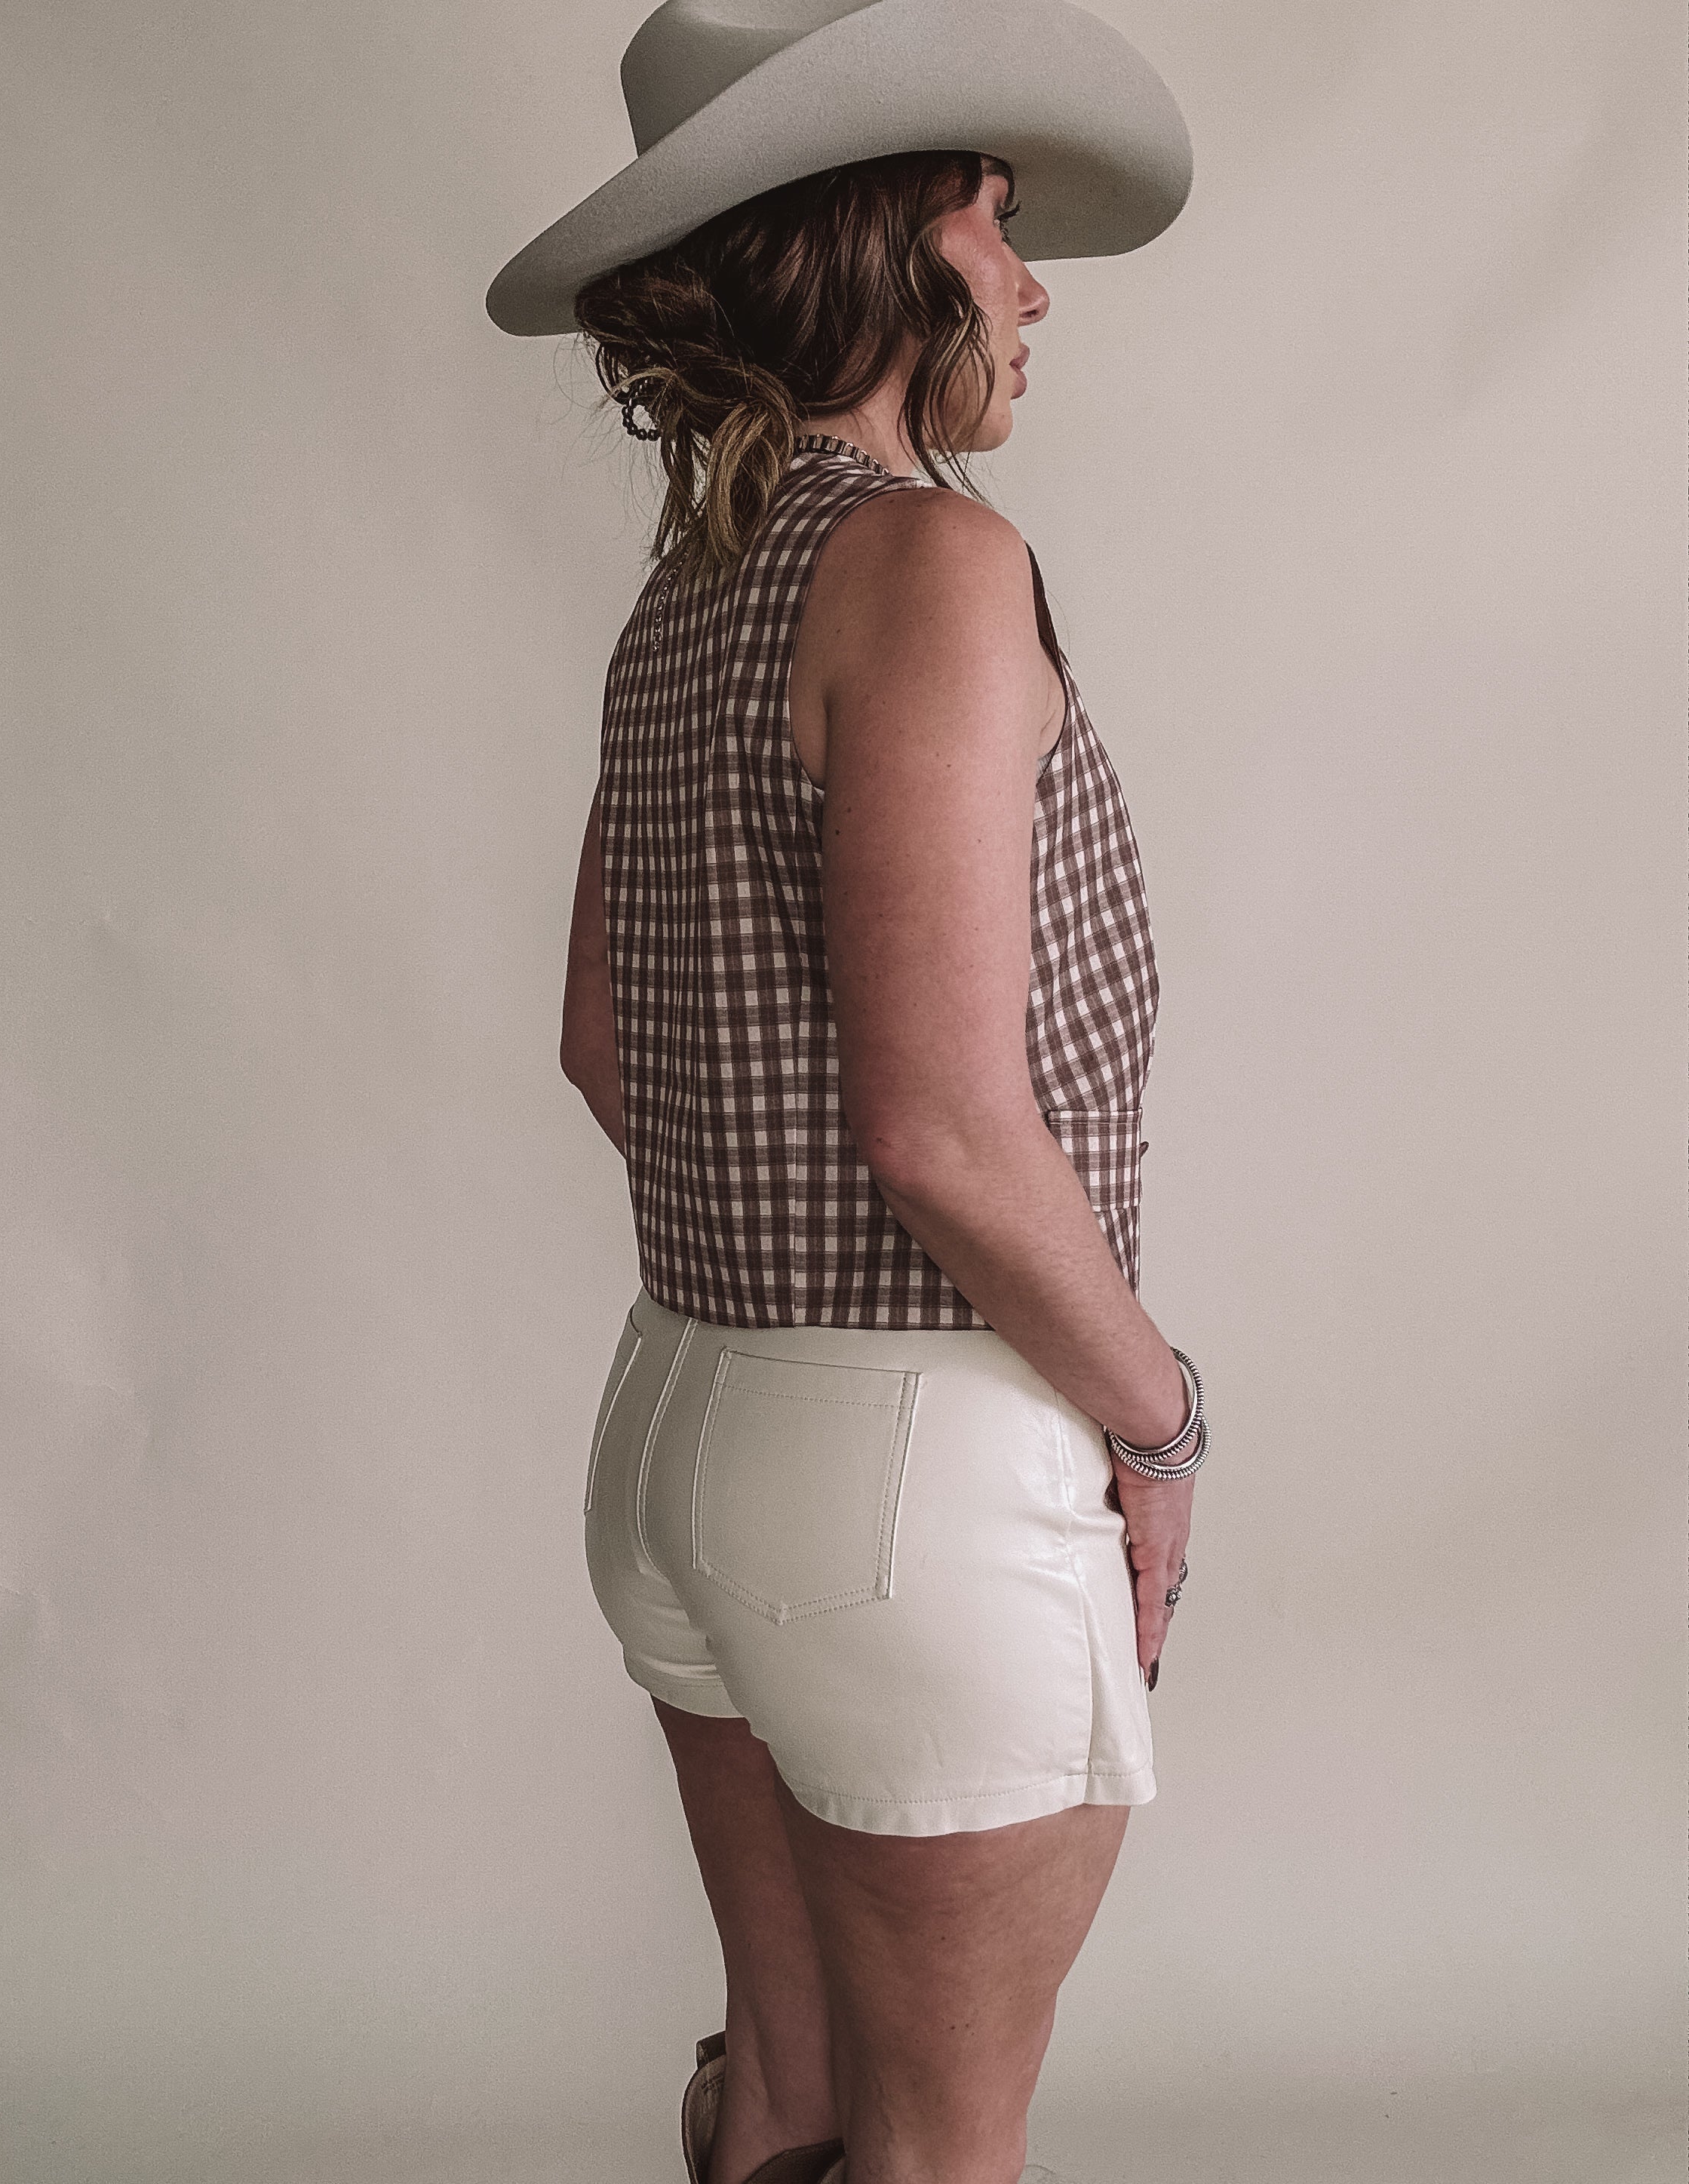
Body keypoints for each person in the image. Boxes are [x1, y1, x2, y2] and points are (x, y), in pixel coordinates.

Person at [487, 7, 1209, 2181]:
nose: (1029, 279)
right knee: (932, 2150)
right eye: (998, 214)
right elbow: (943, 1127)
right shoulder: (925, 564)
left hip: (683, 1423)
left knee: (782, 2106)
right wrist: (1162, 1420)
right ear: (896, 230)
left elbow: (606, 1046)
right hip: (916, 1466)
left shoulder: (691, 584)